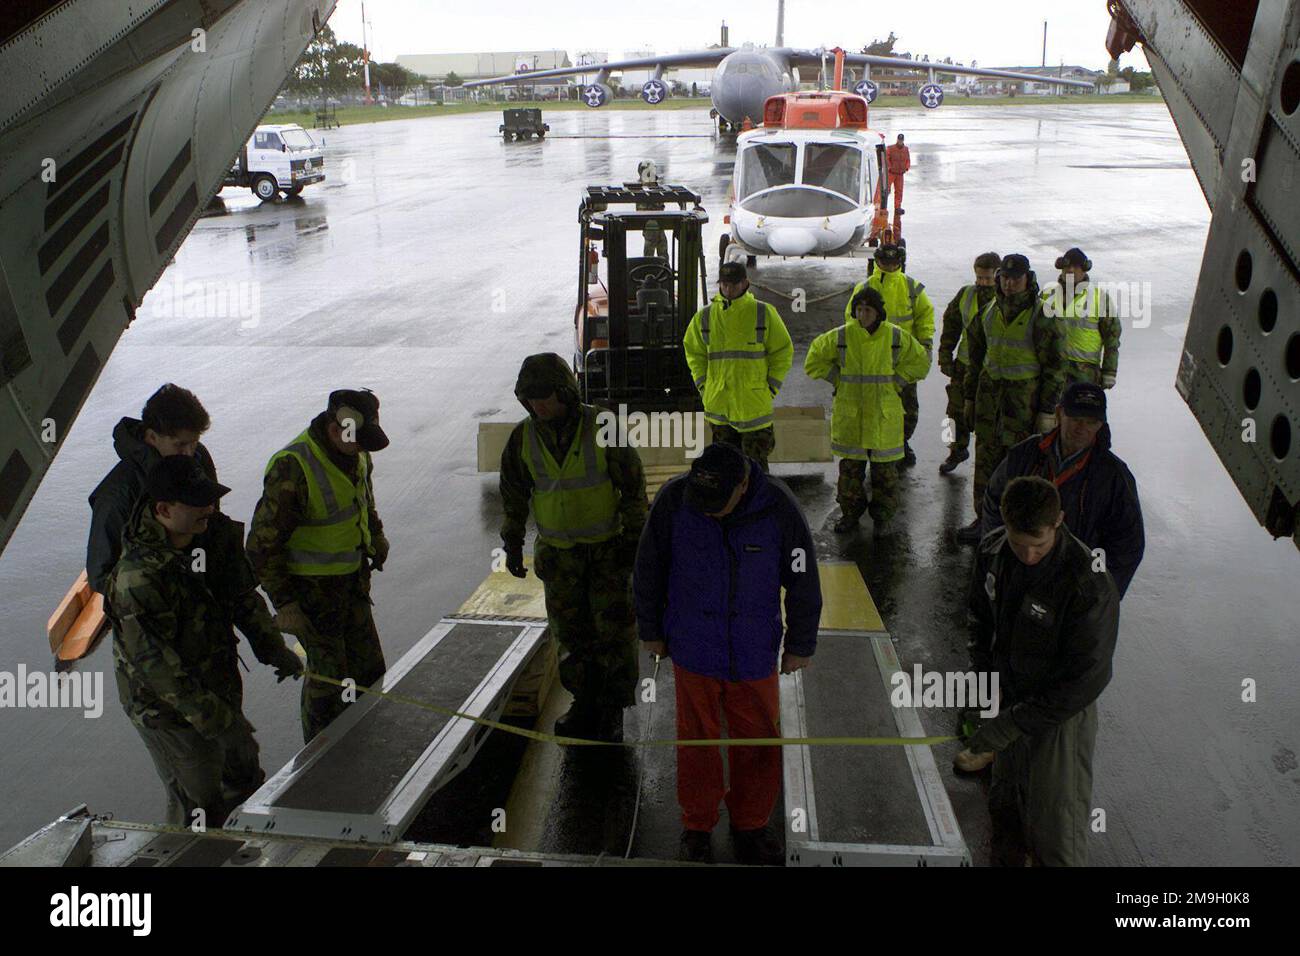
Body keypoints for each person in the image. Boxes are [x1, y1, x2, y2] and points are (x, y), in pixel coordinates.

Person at [634, 442, 822, 865]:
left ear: (742, 486)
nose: (707, 511)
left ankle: (751, 824)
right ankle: (697, 826)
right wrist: (651, 630)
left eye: (717, 503)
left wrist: (800, 644)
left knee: (756, 742)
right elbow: (649, 567)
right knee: (696, 741)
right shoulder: (674, 500)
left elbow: (802, 576)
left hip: (752, 652)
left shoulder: (778, 507)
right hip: (693, 648)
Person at [107, 456, 302, 826]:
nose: (209, 509)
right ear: (163, 509)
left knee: (244, 775)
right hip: (167, 711)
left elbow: (242, 598)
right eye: (198, 503)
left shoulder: (208, 539)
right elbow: (157, 668)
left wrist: (272, 648)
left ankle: (243, 846)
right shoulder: (136, 580)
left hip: (216, 684)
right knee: (199, 801)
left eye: (209, 499)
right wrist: (219, 721)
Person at [965, 476, 1118, 866]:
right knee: (1006, 811)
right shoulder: (993, 551)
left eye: (1039, 545)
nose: (1028, 555)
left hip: (1059, 719)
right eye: (1019, 544)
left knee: (1055, 827)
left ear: (1059, 522)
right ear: (1005, 524)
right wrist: (981, 690)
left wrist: (1014, 723)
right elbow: (981, 622)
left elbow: (1087, 678)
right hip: (1009, 700)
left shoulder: (1088, 582)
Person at [499, 353, 647, 742]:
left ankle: (612, 708)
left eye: (546, 397)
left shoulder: (602, 426)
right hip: (559, 557)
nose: (539, 406)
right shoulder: (523, 437)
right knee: (571, 635)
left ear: (566, 392)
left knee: (613, 633)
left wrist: (634, 541)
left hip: (606, 553)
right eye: (531, 399)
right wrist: (512, 543)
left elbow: (633, 488)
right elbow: (513, 495)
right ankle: (584, 702)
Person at [247, 389, 391, 743]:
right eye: (356, 441)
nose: (361, 450)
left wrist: (376, 536)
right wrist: (285, 604)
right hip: (312, 595)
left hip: (352, 584)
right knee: (329, 682)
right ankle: (322, 759)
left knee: (369, 670)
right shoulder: (293, 468)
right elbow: (261, 546)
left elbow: (362, 501)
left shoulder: (357, 454)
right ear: (333, 430)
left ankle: (366, 742)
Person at [957, 254, 1065, 543]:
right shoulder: (990, 310)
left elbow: (1055, 366)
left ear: (1027, 279)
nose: (1009, 283)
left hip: (1023, 406)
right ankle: (984, 521)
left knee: (1020, 467)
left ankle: (1016, 527)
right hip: (990, 403)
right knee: (985, 465)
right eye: (1005, 277)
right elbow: (975, 356)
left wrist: (1046, 410)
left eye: (1016, 278)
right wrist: (969, 398)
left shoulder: (1042, 315)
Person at [805, 285, 930, 534]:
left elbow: (921, 363)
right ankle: (850, 514)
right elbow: (813, 360)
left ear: (878, 312)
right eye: (859, 310)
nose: (863, 315)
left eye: (868, 310)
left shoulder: (895, 338)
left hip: (883, 418)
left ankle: (883, 518)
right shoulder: (841, 337)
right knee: (850, 474)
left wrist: (899, 380)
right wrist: (837, 378)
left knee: (885, 476)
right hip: (853, 419)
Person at [87, 384, 218, 595]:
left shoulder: (197, 457)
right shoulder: (116, 496)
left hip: (203, 599)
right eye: (180, 445)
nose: (189, 453)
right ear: (151, 437)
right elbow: (101, 577)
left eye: (194, 443)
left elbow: (211, 523)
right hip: (153, 614)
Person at [683, 261, 793, 471]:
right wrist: (704, 387)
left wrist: (771, 386)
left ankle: (757, 504)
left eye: (733, 284)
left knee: (756, 471)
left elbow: (783, 351)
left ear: (745, 284)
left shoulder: (763, 313)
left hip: (753, 408)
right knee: (725, 471)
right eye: (724, 284)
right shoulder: (705, 317)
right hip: (720, 406)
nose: (728, 289)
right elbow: (694, 353)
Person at [844, 244, 934, 466]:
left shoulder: (912, 288)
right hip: (873, 361)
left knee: (908, 409)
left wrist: (925, 345)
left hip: (903, 360)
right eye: (885, 262)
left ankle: (901, 442)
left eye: (894, 262)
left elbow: (925, 317)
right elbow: (851, 320)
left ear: (900, 262)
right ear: (877, 261)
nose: (889, 266)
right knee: (873, 407)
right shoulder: (865, 288)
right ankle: (872, 444)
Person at [937, 252, 1001, 475]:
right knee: (953, 413)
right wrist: (945, 355)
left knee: (987, 417)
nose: (982, 283)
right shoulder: (966, 294)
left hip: (990, 370)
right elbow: (951, 324)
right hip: (965, 364)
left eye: (987, 278)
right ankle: (955, 449)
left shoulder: (1006, 299)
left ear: (998, 275)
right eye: (979, 277)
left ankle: (989, 462)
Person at [1041, 247, 1121, 388]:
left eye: (1076, 266)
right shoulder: (1047, 295)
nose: (1070, 270)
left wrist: (1110, 371)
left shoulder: (1099, 298)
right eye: (1067, 266)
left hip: (1084, 374)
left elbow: (1112, 337)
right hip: (1050, 371)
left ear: (1084, 269)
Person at [635, 159, 668, 259]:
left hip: (659, 225)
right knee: (649, 257)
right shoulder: (641, 187)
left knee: (663, 253)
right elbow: (641, 209)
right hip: (650, 226)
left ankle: (663, 271)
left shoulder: (655, 186)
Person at [885, 133, 911, 214]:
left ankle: (897, 208)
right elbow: (887, 158)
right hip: (891, 173)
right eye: (899, 140)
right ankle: (882, 207)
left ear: (903, 140)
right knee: (886, 190)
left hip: (900, 174)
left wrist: (907, 167)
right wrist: (889, 166)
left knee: (899, 191)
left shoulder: (906, 149)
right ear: (897, 139)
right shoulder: (891, 148)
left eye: (901, 140)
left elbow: (908, 159)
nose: (900, 141)